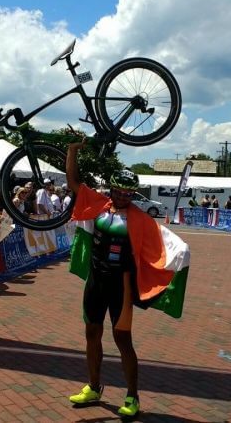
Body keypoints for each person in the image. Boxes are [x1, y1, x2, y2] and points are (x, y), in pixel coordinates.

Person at [64, 141, 190, 418]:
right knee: (91, 334)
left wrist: (182, 256)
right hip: (95, 282)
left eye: (128, 193)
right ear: (111, 189)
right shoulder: (99, 204)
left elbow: (165, 246)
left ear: (133, 194)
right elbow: (73, 182)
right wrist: (72, 150)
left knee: (123, 340)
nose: (122, 196)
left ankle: (132, 397)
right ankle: (94, 387)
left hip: (120, 286)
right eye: (118, 191)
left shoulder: (142, 220)